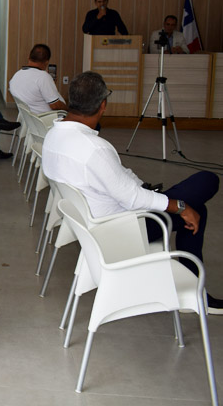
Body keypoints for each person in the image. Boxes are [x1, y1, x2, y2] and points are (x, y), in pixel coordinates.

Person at [41, 71, 223, 314]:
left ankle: (192, 293)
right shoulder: (95, 148)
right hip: (125, 229)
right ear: (103, 105)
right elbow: (133, 199)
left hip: (94, 225)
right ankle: (194, 297)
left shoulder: (54, 134)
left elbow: (121, 178)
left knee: (196, 207)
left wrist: (144, 187)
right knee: (207, 181)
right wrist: (178, 206)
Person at [9, 44, 67, 114]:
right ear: (46, 62)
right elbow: (55, 106)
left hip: (29, 118)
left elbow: (32, 92)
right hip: (47, 118)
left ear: (29, 58)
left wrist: (51, 84)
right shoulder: (43, 77)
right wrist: (69, 110)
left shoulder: (16, 75)